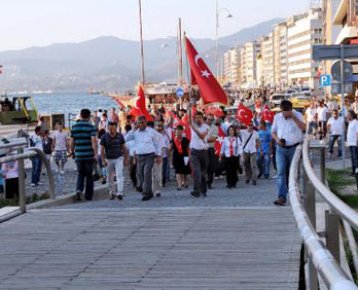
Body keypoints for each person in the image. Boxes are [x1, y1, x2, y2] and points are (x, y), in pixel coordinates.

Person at [271, 100, 305, 206]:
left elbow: (304, 128)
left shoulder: (298, 115)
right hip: (281, 148)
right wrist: (277, 140)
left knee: (294, 172)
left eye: (286, 111)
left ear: (291, 110)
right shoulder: (277, 117)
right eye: (283, 111)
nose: (284, 114)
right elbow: (273, 132)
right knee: (281, 172)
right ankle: (282, 197)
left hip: (295, 148)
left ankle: (296, 195)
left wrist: (293, 117)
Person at [125, 115, 161, 201]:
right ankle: (146, 189)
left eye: (142, 122)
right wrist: (132, 130)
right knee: (140, 174)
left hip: (149, 155)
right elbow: (125, 139)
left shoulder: (151, 131)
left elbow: (157, 143)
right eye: (139, 123)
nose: (141, 124)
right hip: (139, 156)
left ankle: (147, 193)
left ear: (146, 122)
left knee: (146, 173)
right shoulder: (135, 132)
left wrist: (158, 155)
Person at [70, 108, 97, 201]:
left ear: (80, 115)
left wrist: (72, 152)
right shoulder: (91, 127)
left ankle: (78, 190)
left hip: (79, 155)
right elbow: (93, 141)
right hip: (89, 155)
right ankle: (88, 196)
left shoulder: (74, 127)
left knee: (80, 174)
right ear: (89, 116)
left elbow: (72, 142)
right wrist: (95, 154)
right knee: (89, 175)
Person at [100, 121, 128, 200]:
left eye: (113, 128)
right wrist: (103, 160)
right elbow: (102, 150)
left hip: (118, 158)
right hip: (108, 159)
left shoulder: (120, 136)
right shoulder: (104, 137)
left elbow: (124, 148)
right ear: (108, 128)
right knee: (109, 176)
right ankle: (112, 192)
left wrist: (126, 158)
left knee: (119, 175)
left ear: (116, 128)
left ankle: (120, 192)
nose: (111, 130)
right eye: (109, 128)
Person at [189, 109, 209, 198]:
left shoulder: (206, 127)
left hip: (203, 152)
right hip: (194, 152)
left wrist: (194, 129)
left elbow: (202, 136)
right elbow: (189, 119)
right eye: (196, 118)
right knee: (196, 171)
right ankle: (196, 190)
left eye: (199, 117)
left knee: (202, 173)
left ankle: (203, 190)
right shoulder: (193, 125)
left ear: (202, 118)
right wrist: (189, 109)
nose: (198, 119)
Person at [171, 125, 191, 190]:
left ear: (182, 131)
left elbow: (189, 148)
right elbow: (170, 148)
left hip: (185, 156)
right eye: (177, 131)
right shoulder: (173, 140)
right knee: (178, 171)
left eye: (180, 131)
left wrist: (190, 156)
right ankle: (179, 185)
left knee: (185, 171)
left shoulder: (185, 140)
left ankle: (185, 182)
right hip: (176, 157)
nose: (178, 132)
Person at [206, 114, 218, 189]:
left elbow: (213, 139)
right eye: (208, 119)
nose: (209, 121)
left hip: (210, 149)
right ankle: (204, 182)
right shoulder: (202, 126)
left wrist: (204, 139)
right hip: (203, 149)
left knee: (211, 167)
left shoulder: (215, 128)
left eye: (211, 119)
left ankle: (209, 183)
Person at [346, 110, 358, 176]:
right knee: (352, 158)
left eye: (348, 115)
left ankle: (356, 172)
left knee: (356, 158)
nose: (347, 116)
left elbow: (357, 133)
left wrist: (357, 142)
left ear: (352, 115)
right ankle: (353, 171)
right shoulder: (350, 122)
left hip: (354, 143)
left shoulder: (355, 122)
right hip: (350, 142)